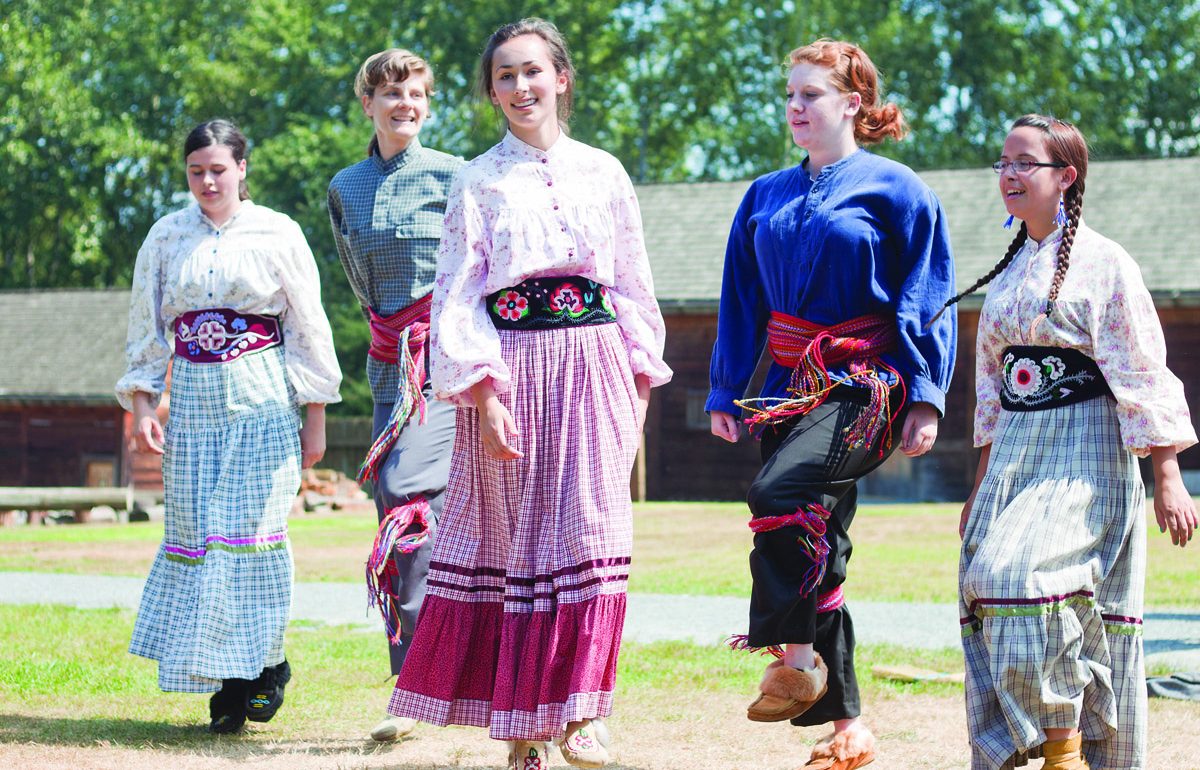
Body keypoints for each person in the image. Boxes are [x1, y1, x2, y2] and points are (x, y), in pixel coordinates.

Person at [386, 18, 672, 770]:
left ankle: (584, 713)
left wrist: (638, 384)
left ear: (562, 78)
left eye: (532, 72)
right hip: (511, 370)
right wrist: (484, 394)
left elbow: (634, 284)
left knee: (592, 537)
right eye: (504, 76)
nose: (519, 88)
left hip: (597, 365)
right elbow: (456, 296)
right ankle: (522, 730)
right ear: (491, 92)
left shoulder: (605, 172)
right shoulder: (477, 181)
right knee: (518, 549)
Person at [707, 39, 956, 770]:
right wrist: (726, 387)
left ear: (853, 103)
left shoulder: (900, 190)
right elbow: (740, 301)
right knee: (821, 540)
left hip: (867, 383)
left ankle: (794, 660)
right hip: (783, 388)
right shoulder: (764, 195)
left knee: (778, 493)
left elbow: (927, 298)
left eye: (810, 95)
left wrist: (928, 398)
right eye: (789, 95)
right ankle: (849, 727)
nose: (795, 107)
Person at [947, 115, 1197, 770]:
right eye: (1002, 160)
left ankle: (1069, 751)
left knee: (1024, 580)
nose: (1008, 173)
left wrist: (1168, 473)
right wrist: (979, 490)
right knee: (983, 579)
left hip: (1085, 449)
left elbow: (1143, 368)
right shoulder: (1007, 275)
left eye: (1025, 161)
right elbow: (992, 392)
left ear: (1066, 176)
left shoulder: (1106, 262)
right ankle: (1054, 745)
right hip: (1016, 457)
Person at [116, 119, 342, 733]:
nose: (208, 181)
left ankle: (264, 669)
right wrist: (142, 407)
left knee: (252, 532)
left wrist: (315, 415)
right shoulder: (166, 236)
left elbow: (306, 324)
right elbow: (145, 327)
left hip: (262, 397)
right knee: (202, 537)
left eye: (219, 169)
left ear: (242, 168)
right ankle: (225, 687)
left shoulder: (277, 231)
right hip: (191, 403)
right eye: (196, 171)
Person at [327, 47, 465, 743]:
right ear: (367, 104)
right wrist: (392, 336)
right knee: (397, 514)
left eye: (415, 93)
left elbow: (478, 271)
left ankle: (420, 688)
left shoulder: (454, 175)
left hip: (447, 368)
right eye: (390, 94)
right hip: (388, 374)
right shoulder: (345, 187)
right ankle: (419, 680)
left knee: (412, 497)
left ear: (428, 102)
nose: (404, 103)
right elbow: (357, 279)